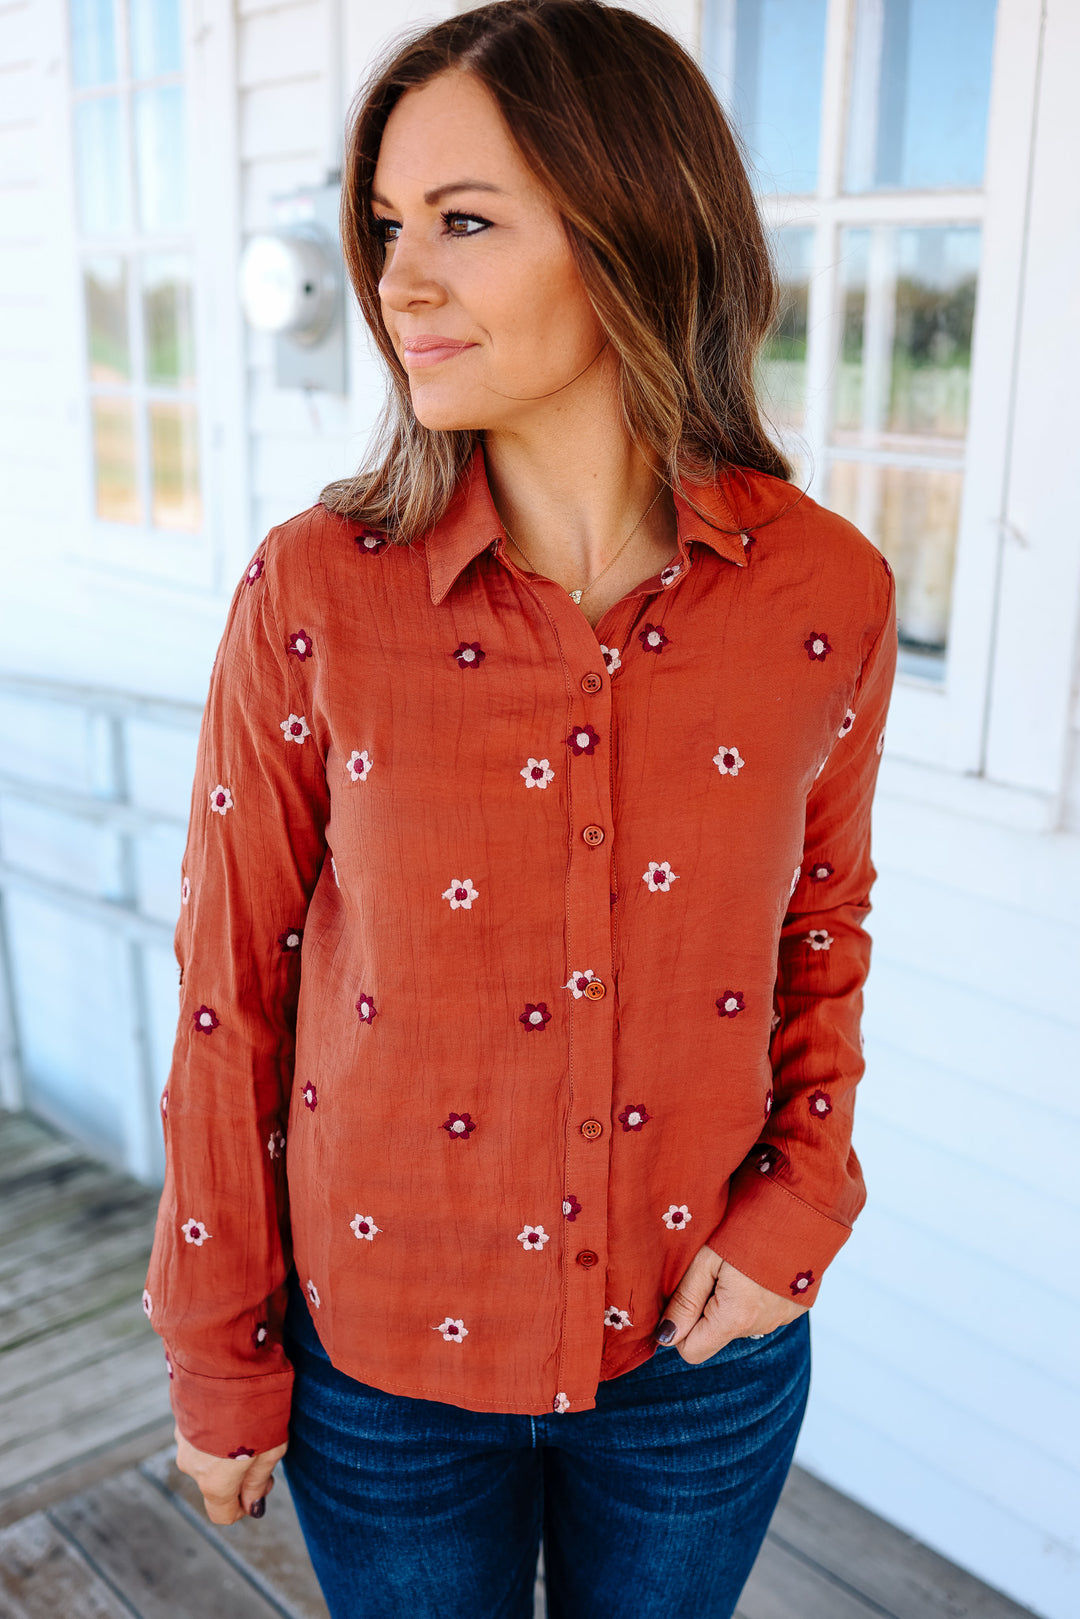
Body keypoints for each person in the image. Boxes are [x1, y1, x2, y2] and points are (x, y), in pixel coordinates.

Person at [144, 3, 898, 1615]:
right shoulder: (313, 594)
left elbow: (822, 926)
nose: (398, 282)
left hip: (700, 1353)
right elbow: (232, 991)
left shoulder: (826, 592)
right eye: (386, 228)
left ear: (638, 228)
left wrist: (804, 1201)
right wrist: (217, 1343)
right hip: (385, 1373)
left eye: (464, 222)